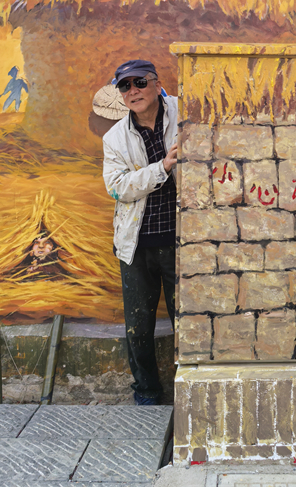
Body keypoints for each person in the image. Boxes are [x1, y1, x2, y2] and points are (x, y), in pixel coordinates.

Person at [102, 59, 178, 405]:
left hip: (183, 242)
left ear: (157, 84)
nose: (133, 91)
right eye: (125, 86)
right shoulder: (115, 137)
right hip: (136, 243)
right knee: (138, 326)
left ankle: (191, 387)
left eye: (140, 83)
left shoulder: (186, 116)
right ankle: (146, 393)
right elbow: (117, 188)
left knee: (189, 323)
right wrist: (162, 168)